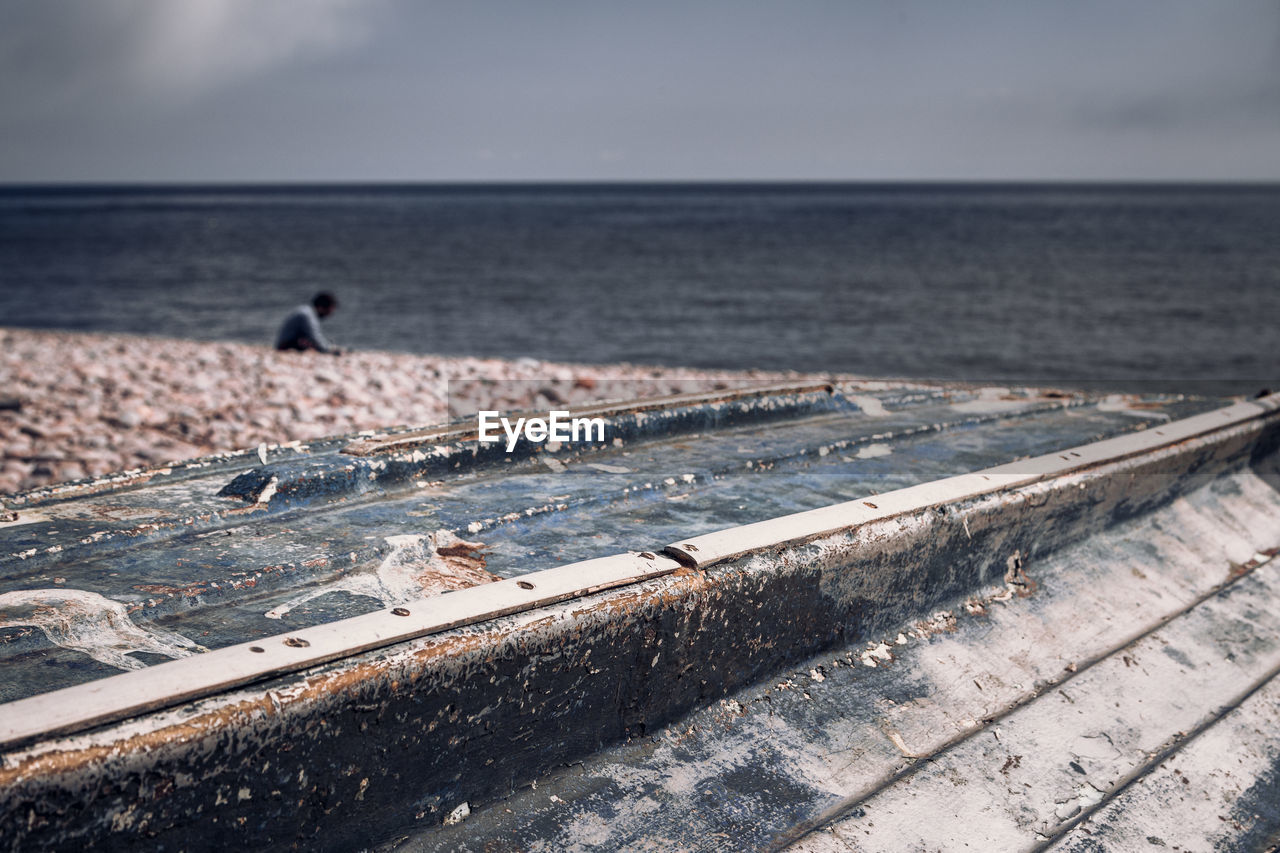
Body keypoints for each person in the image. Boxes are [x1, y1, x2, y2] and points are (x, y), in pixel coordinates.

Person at [275, 292, 342, 354]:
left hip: (286, 343)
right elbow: (315, 337)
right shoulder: (307, 315)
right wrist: (329, 350)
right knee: (313, 344)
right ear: (321, 307)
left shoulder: (307, 311)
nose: (329, 314)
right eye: (329, 311)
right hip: (285, 346)